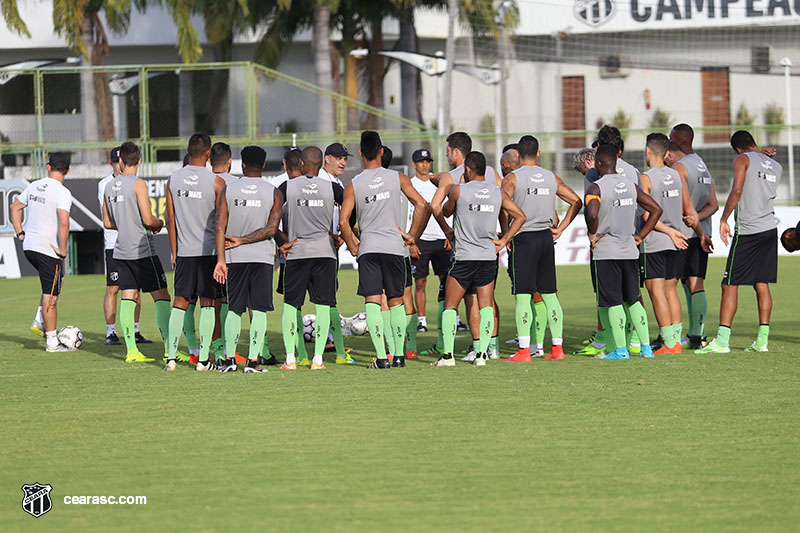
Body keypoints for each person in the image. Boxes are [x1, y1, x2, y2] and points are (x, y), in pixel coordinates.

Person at [339, 131, 430, 369]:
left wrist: (352, 245)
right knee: (396, 301)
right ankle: (399, 356)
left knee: (373, 302)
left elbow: (343, 221)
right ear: (381, 150)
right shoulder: (397, 178)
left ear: (360, 153)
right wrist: (412, 236)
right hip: (394, 248)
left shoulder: (354, 184)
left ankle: (381, 358)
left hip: (369, 249)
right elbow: (422, 204)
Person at [432, 151, 526, 366]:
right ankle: (482, 355)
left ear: (467, 169)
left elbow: (444, 211)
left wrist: (449, 225)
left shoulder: (458, 190)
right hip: (487, 257)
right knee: (485, 307)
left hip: (464, 256)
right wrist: (504, 240)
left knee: (450, 306)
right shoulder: (497, 192)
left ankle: (448, 357)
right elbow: (520, 216)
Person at [697, 130, 782, 354]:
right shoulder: (775, 165)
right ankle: (762, 341)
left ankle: (723, 341)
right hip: (769, 229)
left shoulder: (741, 159)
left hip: (748, 230)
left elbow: (737, 189)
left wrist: (724, 219)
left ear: (736, 149)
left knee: (729, 284)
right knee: (761, 284)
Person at [501, 135, 582, 362]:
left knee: (523, 296)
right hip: (547, 239)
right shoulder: (551, 177)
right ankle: (557, 348)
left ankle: (525, 350)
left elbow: (502, 204)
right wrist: (562, 228)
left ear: (517, 154)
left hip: (524, 239)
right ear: (538, 153)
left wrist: (506, 234)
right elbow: (576, 201)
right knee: (549, 295)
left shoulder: (512, 178)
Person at [431, 132, 503, 361]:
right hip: (489, 248)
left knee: (459, 301)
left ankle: (452, 352)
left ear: (456, 152)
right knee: (487, 301)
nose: (446, 154)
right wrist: (502, 234)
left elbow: (435, 206)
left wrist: (447, 231)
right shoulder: (491, 173)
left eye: (448, 150)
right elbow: (505, 200)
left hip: (465, 249)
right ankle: (490, 348)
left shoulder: (452, 178)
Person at [584, 144, 660, 360]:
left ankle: (620, 351)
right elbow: (656, 209)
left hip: (607, 252)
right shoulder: (630, 185)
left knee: (612, 302)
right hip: (630, 251)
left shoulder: (595, 188)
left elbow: (592, 214)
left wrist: (592, 234)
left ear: (598, 164)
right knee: (634, 300)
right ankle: (645, 348)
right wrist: (641, 236)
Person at [100, 142, 173, 363]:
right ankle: (170, 349)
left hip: (121, 250)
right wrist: (160, 222)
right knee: (162, 296)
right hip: (143, 250)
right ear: (140, 161)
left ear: (120, 161)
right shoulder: (138, 184)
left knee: (128, 297)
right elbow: (148, 219)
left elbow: (107, 222)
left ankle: (132, 351)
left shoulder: (109, 186)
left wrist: (125, 223)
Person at [638, 133, 710, 355]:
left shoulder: (646, 178)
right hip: (677, 240)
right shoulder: (676, 175)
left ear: (649, 151)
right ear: (667, 153)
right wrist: (700, 234)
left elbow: (645, 216)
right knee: (671, 290)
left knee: (655, 290)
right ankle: (675, 341)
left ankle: (669, 342)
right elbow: (688, 210)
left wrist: (666, 230)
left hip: (656, 241)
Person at [276, 146, 347, 370]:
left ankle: (290, 359)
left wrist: (281, 240)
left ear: (303, 165)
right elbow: (351, 205)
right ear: (320, 166)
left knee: (291, 306)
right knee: (323, 305)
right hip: (325, 253)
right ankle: (318, 360)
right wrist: (342, 234)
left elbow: (270, 212)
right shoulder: (332, 187)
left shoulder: (288, 186)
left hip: (297, 253)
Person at [212, 146, 282, 374]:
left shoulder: (228, 190)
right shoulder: (274, 192)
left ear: (242, 164)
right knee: (259, 309)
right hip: (262, 258)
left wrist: (221, 259)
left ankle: (229, 360)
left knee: (234, 309)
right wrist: (244, 240)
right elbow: (272, 229)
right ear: (263, 164)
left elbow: (220, 225)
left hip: (234, 258)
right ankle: (252, 362)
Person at [164, 133, 226, 371]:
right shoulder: (216, 182)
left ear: (188, 151)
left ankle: (171, 357)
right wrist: (221, 257)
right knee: (209, 303)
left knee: (180, 302)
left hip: (184, 253)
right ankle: (203, 360)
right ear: (208, 154)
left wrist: (173, 252)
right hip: (208, 252)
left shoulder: (173, 179)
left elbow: (170, 219)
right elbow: (221, 223)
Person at [10, 152, 74, 352]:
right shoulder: (63, 192)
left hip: (29, 247)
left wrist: (20, 232)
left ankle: (39, 319)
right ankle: (52, 342)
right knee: (52, 294)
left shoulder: (34, 185)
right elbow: (64, 223)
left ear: (48, 167)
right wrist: (63, 251)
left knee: (56, 281)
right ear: (68, 170)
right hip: (48, 249)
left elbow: (14, 207)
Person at [667, 124, 719, 349]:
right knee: (694, 282)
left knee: (673, 285)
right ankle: (697, 334)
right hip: (701, 231)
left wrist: (691, 218)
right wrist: (697, 217)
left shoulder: (679, 167)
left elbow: (680, 203)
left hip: (682, 233)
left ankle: (674, 334)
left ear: (678, 140)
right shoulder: (702, 164)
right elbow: (714, 205)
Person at [98, 147, 150, 346]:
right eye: (114, 162)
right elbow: (110, 217)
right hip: (114, 242)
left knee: (134, 289)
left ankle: (135, 330)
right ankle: (111, 331)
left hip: (134, 242)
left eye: (119, 161)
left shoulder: (133, 182)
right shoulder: (106, 184)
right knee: (113, 287)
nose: (118, 165)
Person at [408, 148, 452, 343]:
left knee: (447, 282)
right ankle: (422, 319)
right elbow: (409, 213)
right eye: (421, 162)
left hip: (441, 238)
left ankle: (453, 318)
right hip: (421, 239)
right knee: (420, 282)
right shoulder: (409, 185)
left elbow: (448, 208)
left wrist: (449, 234)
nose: (425, 165)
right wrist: (412, 240)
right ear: (414, 164)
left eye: (428, 161)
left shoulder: (439, 183)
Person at [209, 142, 238, 362]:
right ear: (230, 161)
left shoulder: (206, 183)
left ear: (210, 160)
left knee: (212, 301)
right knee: (233, 301)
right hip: (233, 249)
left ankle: (218, 349)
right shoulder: (235, 184)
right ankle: (232, 349)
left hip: (207, 249)